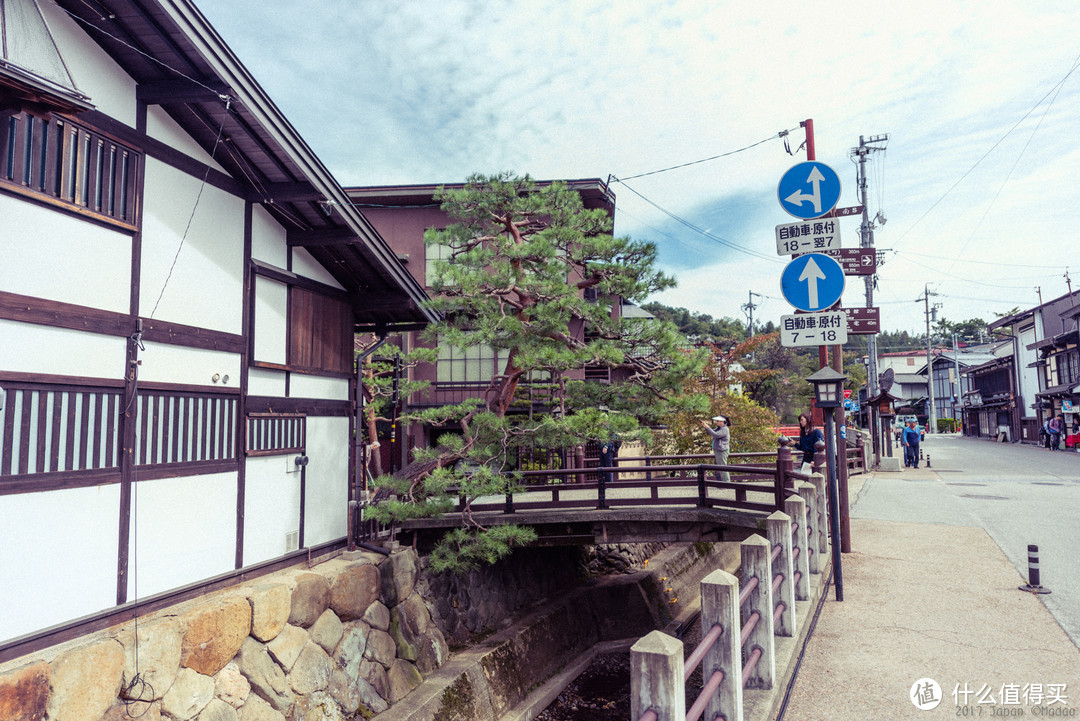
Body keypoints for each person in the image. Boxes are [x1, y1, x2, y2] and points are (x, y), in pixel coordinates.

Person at [700, 415, 730, 482]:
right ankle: (724, 481)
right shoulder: (719, 428)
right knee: (721, 467)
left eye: (718, 421)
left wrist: (708, 427)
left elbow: (716, 435)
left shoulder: (725, 429)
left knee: (723, 467)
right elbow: (711, 432)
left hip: (722, 450)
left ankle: (726, 482)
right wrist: (706, 427)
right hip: (719, 450)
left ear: (723, 422)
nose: (717, 422)